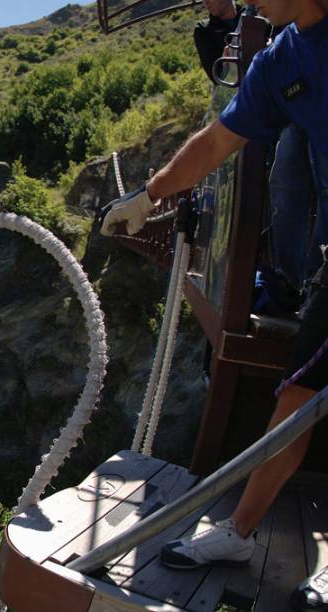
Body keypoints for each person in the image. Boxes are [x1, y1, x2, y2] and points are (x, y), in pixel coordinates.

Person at [101, 0, 327, 607]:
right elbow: (220, 138)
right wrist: (149, 196)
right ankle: (241, 534)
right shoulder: (282, 56)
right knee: (300, 393)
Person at [194, 0, 242, 83]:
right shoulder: (204, 30)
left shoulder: (254, 14)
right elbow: (215, 77)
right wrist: (225, 66)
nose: (206, 2)